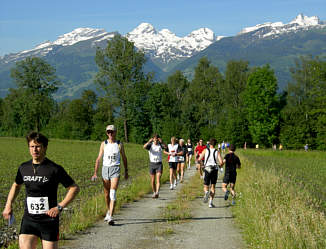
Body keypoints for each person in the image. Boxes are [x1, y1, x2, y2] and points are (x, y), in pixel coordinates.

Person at [2, 132, 80, 249]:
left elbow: (74, 188)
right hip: (29, 219)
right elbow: (16, 185)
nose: (35, 150)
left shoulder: (54, 169)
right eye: (32, 146)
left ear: (45, 147)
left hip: (48, 221)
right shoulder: (23, 168)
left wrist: (59, 207)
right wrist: (8, 204)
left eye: (38, 146)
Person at [92, 125, 128, 225]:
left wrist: (126, 171)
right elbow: (98, 158)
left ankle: (111, 216)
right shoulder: (103, 144)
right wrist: (95, 172)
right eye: (108, 132)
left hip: (115, 169)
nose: (110, 134)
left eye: (112, 132)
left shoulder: (119, 144)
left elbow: (124, 158)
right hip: (105, 169)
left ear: (115, 132)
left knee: (112, 193)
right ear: (106, 133)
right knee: (107, 194)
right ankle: (109, 211)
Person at [198, 138, 223, 208]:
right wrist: (220, 166)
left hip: (207, 168)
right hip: (214, 169)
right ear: (215, 144)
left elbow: (199, 159)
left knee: (206, 185)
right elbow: (221, 162)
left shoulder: (205, 150)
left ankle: (206, 192)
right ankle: (210, 203)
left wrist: (202, 165)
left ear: (209, 144)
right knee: (213, 186)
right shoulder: (217, 151)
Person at [143, 134, 166, 198]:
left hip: (159, 164)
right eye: (154, 138)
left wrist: (162, 142)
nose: (155, 140)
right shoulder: (150, 145)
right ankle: (154, 192)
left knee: (158, 179)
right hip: (152, 164)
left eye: (157, 138)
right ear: (153, 139)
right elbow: (144, 147)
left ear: (158, 139)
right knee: (152, 181)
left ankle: (157, 192)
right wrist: (148, 141)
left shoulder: (160, 145)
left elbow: (166, 147)